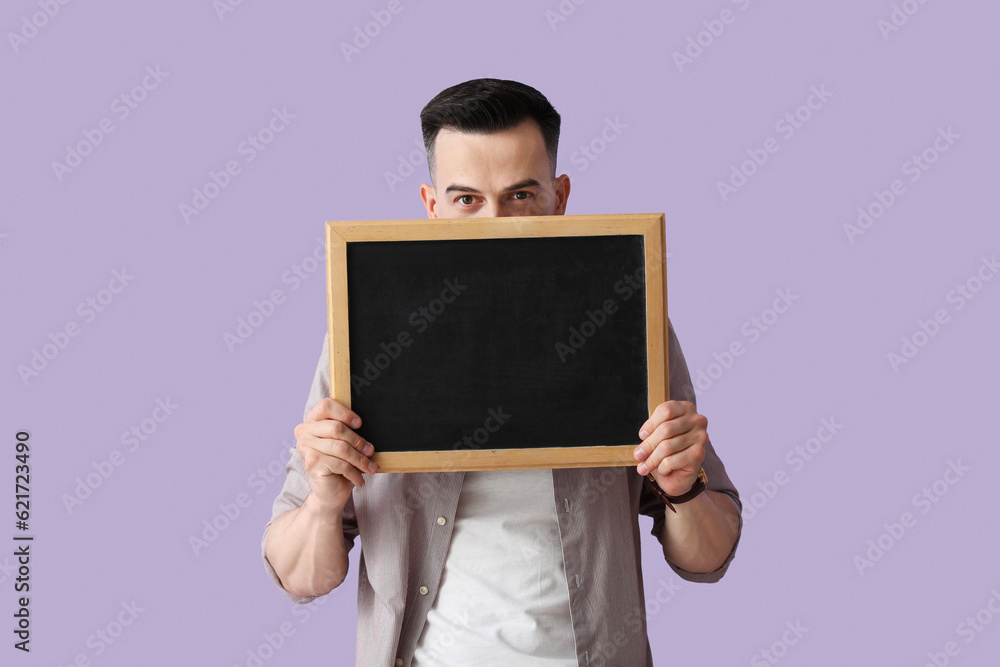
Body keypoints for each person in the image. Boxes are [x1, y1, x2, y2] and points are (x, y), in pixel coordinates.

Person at [262, 78, 742, 666]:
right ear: (431, 205)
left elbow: (709, 557)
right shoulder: (366, 337)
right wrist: (322, 498)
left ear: (559, 197)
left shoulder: (625, 320)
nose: (496, 223)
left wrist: (683, 486)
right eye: (467, 200)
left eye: (520, 196)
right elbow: (298, 578)